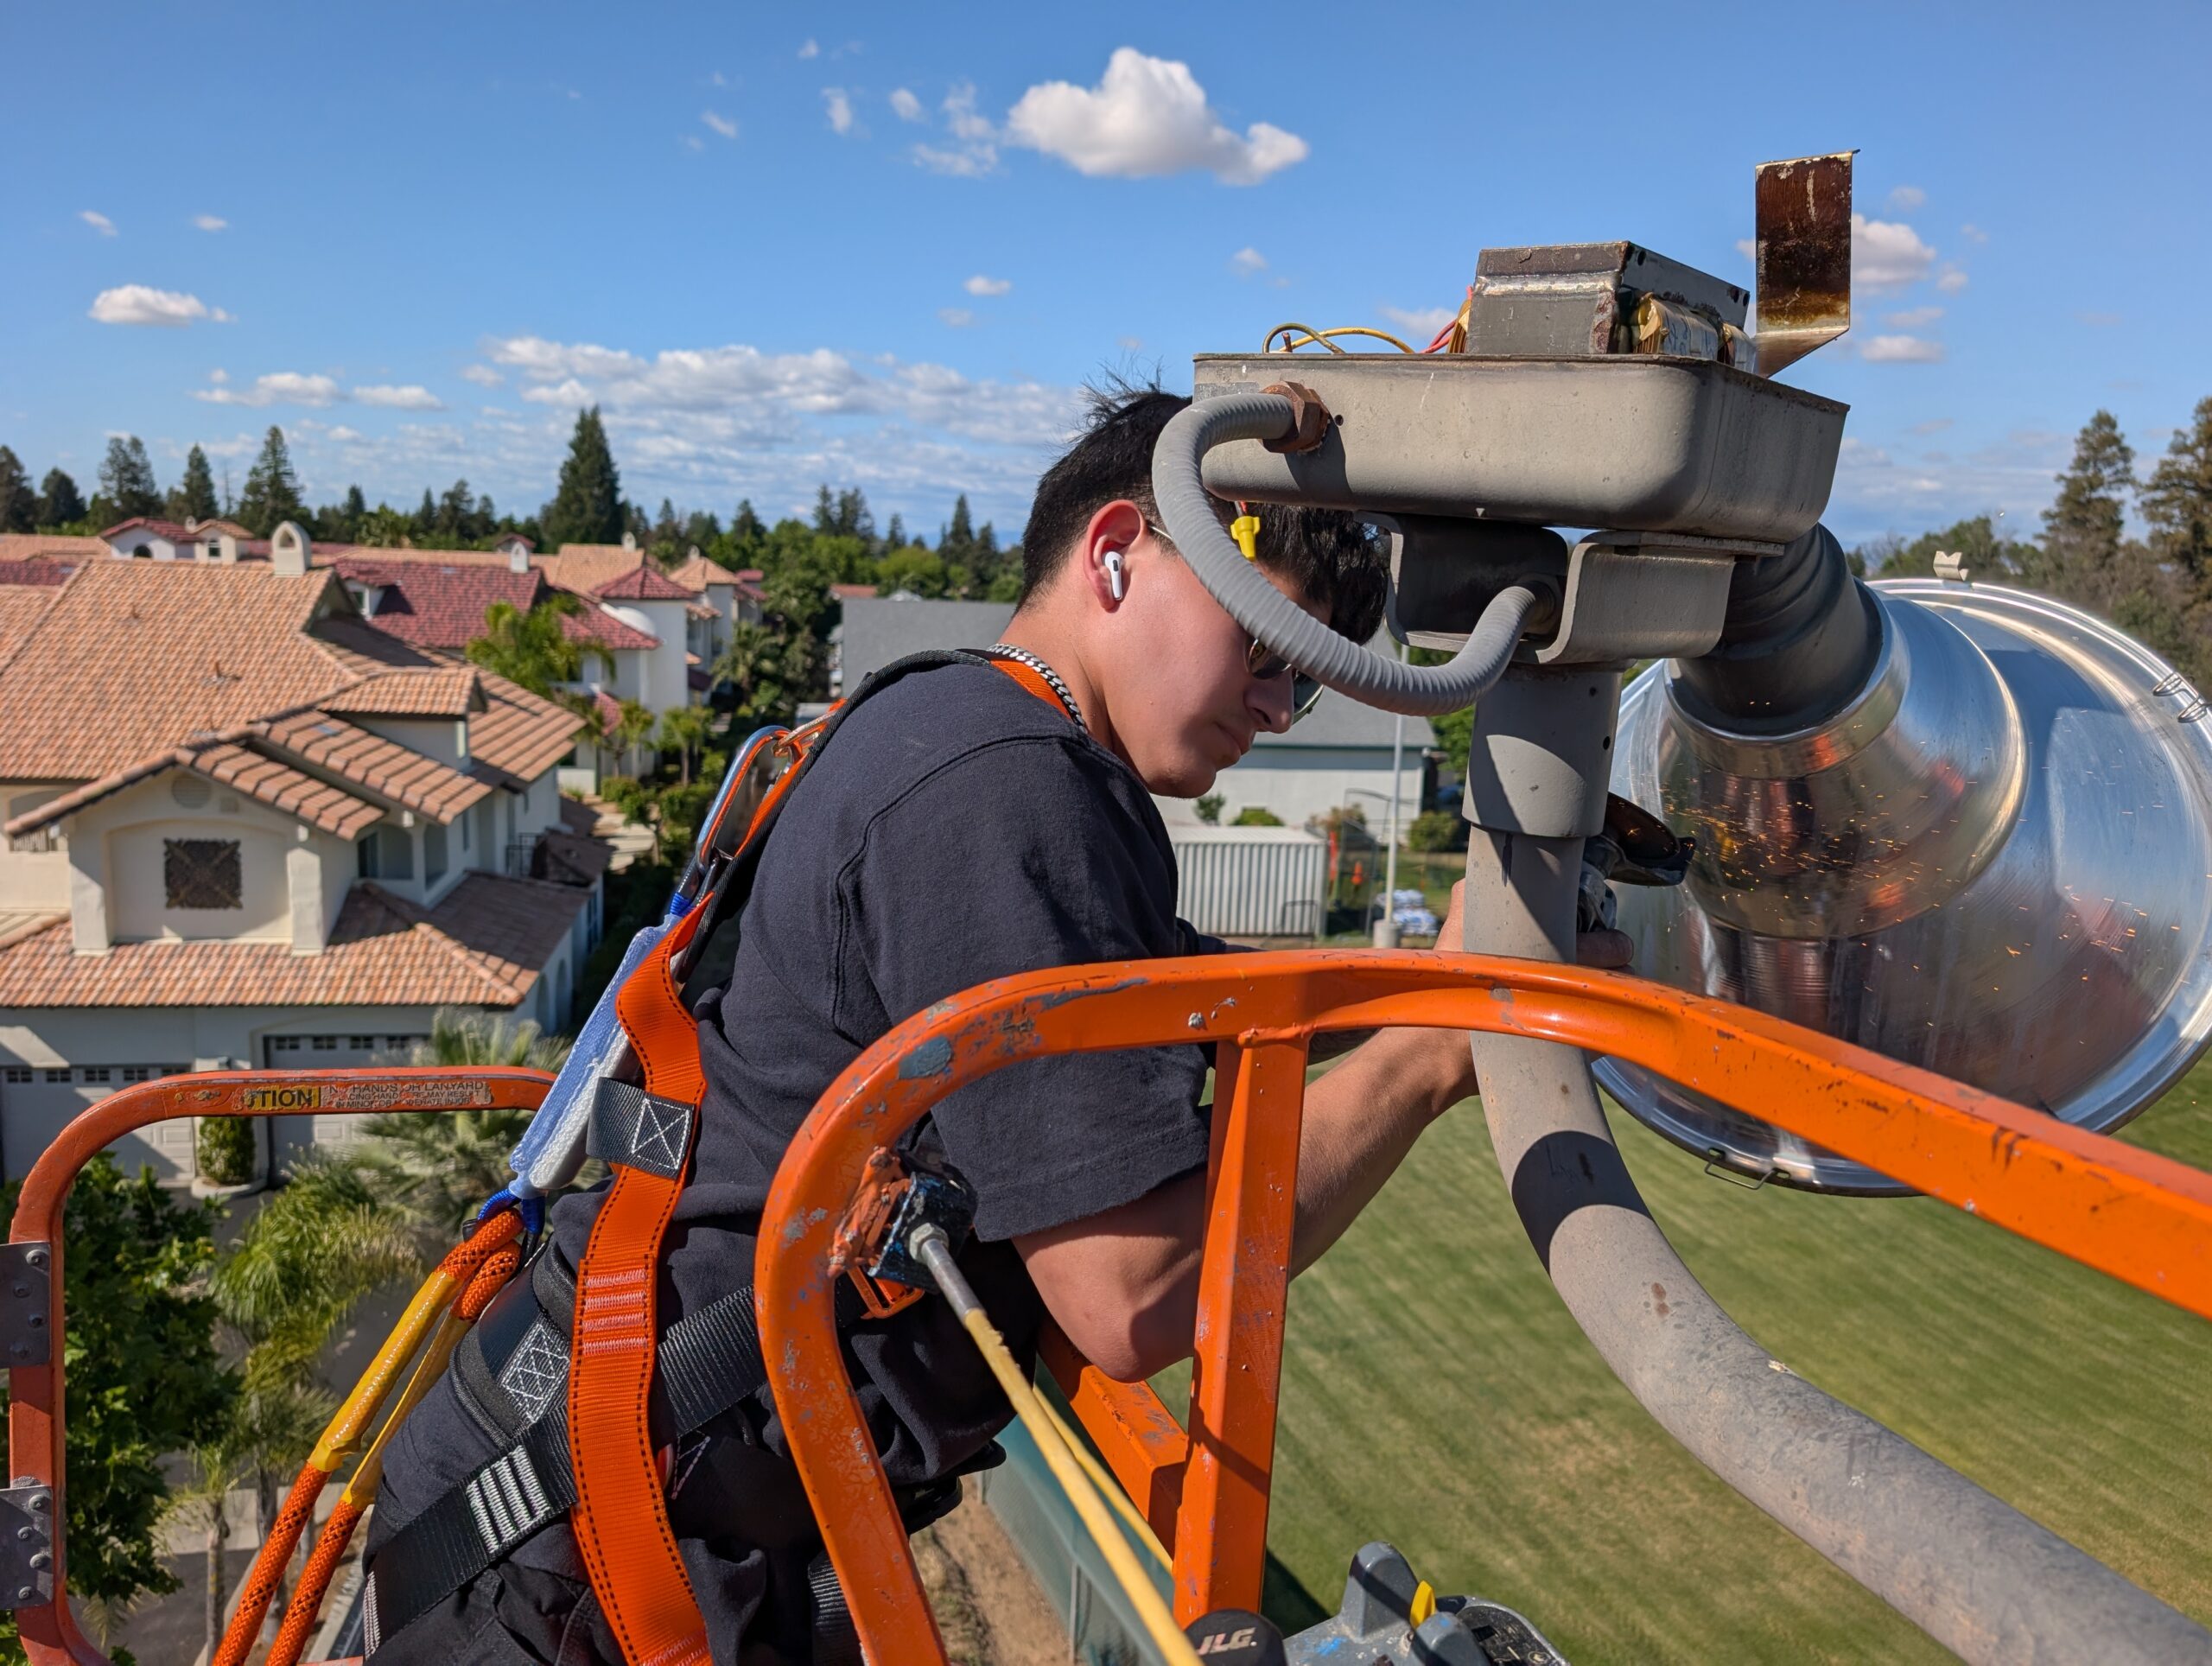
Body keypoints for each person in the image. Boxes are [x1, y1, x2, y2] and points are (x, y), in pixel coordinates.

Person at [365, 385, 1630, 1662]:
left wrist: (1424, 974)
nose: (1272, 709)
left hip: (579, 1489)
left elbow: (1165, 993)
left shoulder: (949, 724)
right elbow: (1132, 1300)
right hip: (581, 1553)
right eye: (1262, 652)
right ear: (1119, 551)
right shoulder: (1007, 792)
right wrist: (1431, 1056)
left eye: (1299, 684)